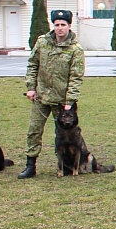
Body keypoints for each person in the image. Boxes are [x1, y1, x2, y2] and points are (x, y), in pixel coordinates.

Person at [19, 9, 85, 179]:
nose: (60, 28)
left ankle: (69, 164)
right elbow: (32, 65)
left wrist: (69, 101)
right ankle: (30, 164)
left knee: (66, 135)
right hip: (41, 96)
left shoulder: (75, 49)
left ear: (69, 26)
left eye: (63, 25)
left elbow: (76, 77)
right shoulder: (42, 43)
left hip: (61, 101)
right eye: (57, 25)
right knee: (34, 130)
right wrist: (31, 87)